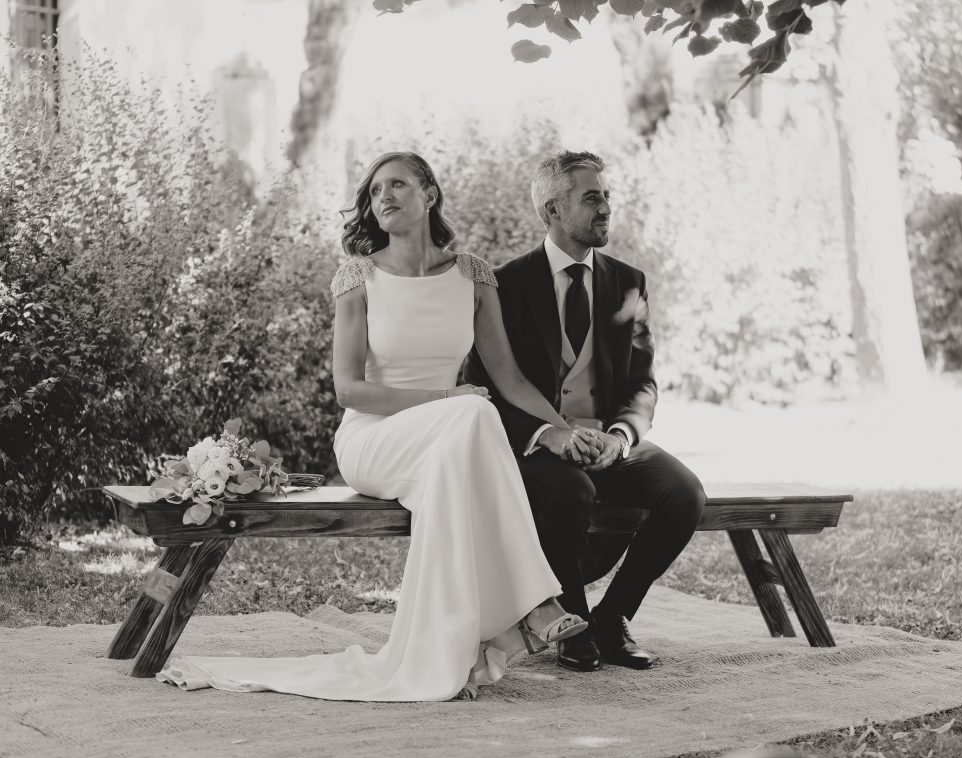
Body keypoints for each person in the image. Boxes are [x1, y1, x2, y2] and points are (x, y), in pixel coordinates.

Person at [155, 151, 594, 702]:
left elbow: (509, 379)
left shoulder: (473, 275)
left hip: (447, 441)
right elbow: (348, 390)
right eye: (375, 191)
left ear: (429, 194)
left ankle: (463, 643)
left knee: (466, 441)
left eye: (397, 184)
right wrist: (446, 397)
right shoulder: (358, 278)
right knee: (474, 412)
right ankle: (533, 605)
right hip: (373, 440)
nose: (383, 197)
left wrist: (563, 429)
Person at [465, 150, 706, 673]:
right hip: (537, 446)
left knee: (685, 493)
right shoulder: (505, 286)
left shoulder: (629, 282)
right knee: (570, 492)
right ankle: (571, 621)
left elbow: (642, 382)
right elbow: (483, 387)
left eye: (607, 196)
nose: (606, 208)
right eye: (591, 197)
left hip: (606, 442)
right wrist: (545, 435)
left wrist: (620, 437)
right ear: (552, 210)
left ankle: (612, 616)